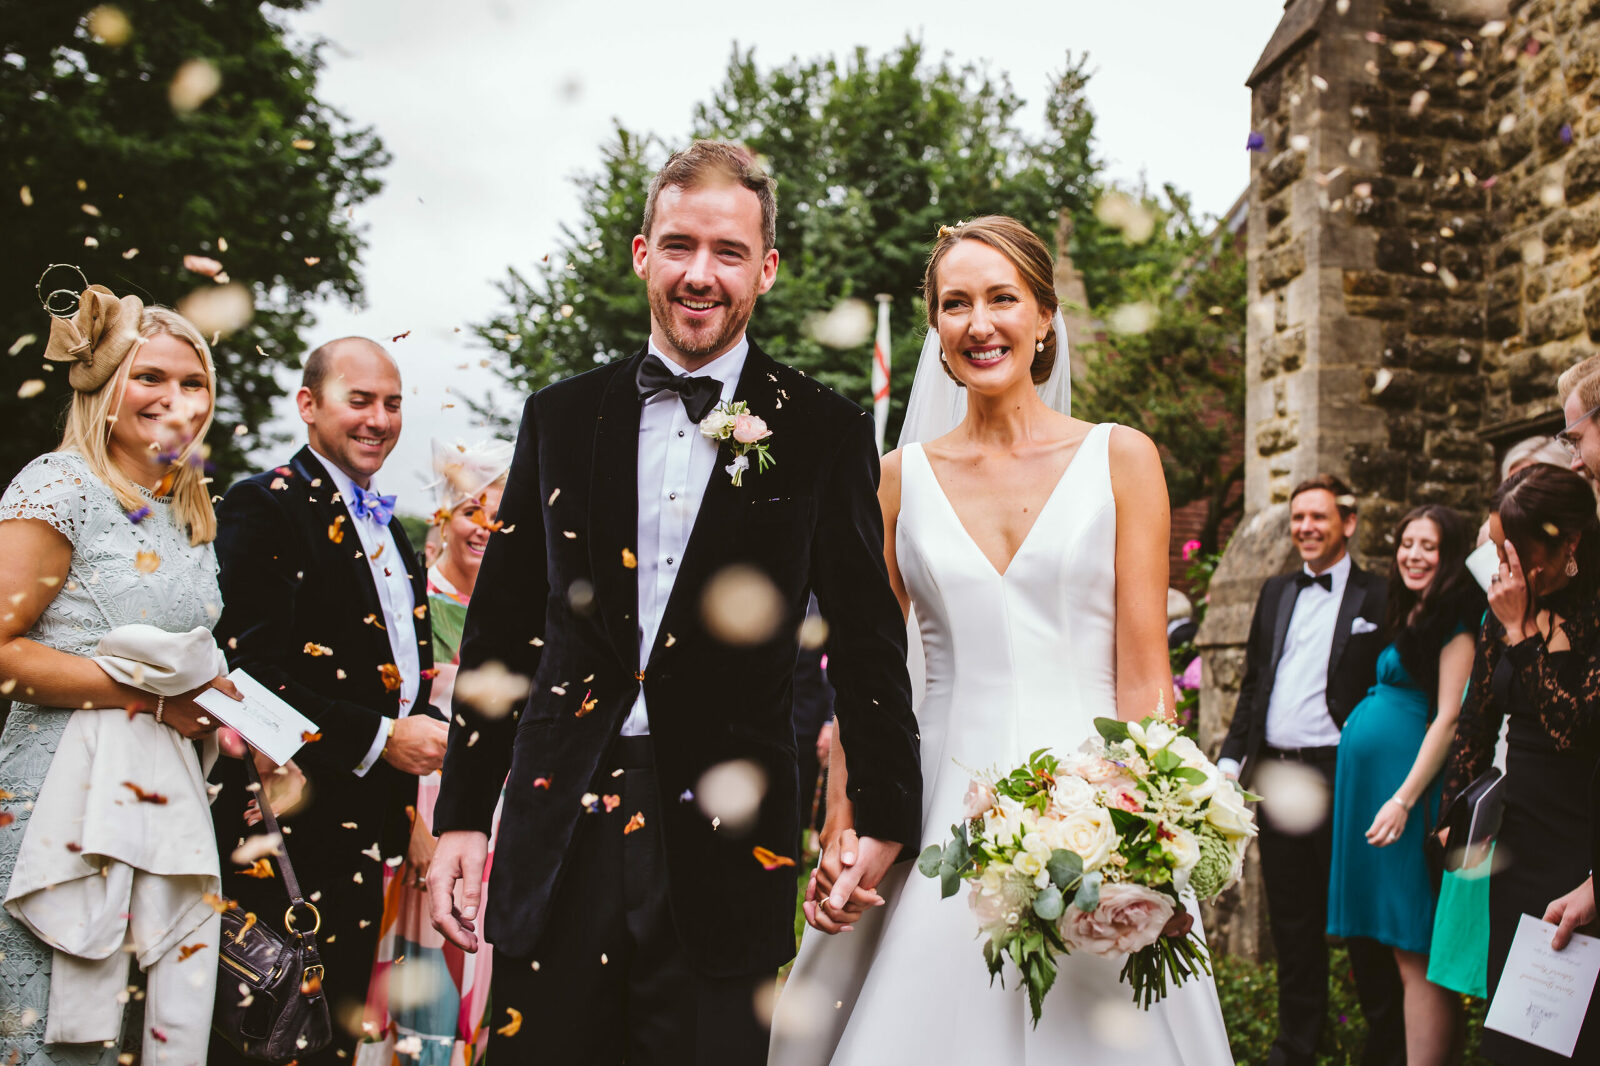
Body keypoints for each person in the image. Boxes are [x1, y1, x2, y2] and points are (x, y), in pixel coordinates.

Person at [425, 140, 923, 1066]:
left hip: (730, 845)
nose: (702, 274)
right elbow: (502, 629)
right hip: (560, 819)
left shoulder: (824, 429)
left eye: (729, 252)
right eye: (680, 244)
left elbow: (866, 642)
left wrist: (884, 818)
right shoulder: (560, 417)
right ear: (641, 253)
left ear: (766, 269)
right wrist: (461, 812)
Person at [769, 215, 1232, 1064]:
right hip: (943, 795)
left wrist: (1154, 827)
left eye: (1002, 298)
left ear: (1045, 315)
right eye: (955, 304)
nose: (979, 323)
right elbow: (868, 677)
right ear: (937, 330)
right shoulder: (896, 482)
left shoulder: (1122, 459)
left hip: (1101, 793)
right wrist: (842, 824)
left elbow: (1145, 681)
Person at [0, 286, 240, 1065]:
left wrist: (219, 702)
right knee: (46, 1028)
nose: (177, 400)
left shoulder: (186, 512)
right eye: (152, 378)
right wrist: (151, 700)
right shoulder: (60, 486)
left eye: (194, 382)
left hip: (162, 805)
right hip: (59, 803)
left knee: (143, 1028)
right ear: (104, 388)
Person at [209, 337, 446, 1066]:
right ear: (309, 405)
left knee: (331, 1034)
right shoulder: (264, 505)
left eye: (393, 403)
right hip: (286, 826)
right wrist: (381, 739)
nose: (379, 419)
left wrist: (426, 727)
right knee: (267, 1034)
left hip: (367, 830)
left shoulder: (394, 533)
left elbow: (408, 670)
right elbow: (246, 672)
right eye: (360, 400)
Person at [1216, 475, 1405, 1066]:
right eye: (1298, 518)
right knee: (1292, 916)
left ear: (1347, 523)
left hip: (1343, 771)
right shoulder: (1274, 591)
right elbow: (1254, 684)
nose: (1305, 528)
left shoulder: (1380, 595)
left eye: (1318, 517)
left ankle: (1384, 1044)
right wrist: (1229, 759)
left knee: (1358, 914)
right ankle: (1298, 1043)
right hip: (1276, 771)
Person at [1441, 463, 1600, 1063]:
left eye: (1513, 550)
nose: (1501, 566)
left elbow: (1571, 729)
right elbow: (1477, 717)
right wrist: (1455, 810)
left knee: (1578, 1031)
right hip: (1523, 835)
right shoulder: (1506, 604)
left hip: (1584, 840)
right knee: (1518, 1024)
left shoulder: (1589, 612)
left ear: (1570, 543)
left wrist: (1520, 631)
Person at [360, 438, 512, 1066]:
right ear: (445, 516)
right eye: (474, 511)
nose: (487, 528)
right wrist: (412, 825)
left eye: (501, 517)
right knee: (414, 969)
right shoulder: (410, 602)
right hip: (417, 808)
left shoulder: (517, 614)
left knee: (478, 970)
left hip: (497, 815)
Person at [1326, 505, 1482, 1066]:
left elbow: (1449, 717)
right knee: (1398, 949)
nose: (1413, 555)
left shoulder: (1457, 618)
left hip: (1408, 795)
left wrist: (1402, 799)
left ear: (1452, 555)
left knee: (1417, 949)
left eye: (1429, 546)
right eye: (1406, 543)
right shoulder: (1416, 611)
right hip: (1382, 790)